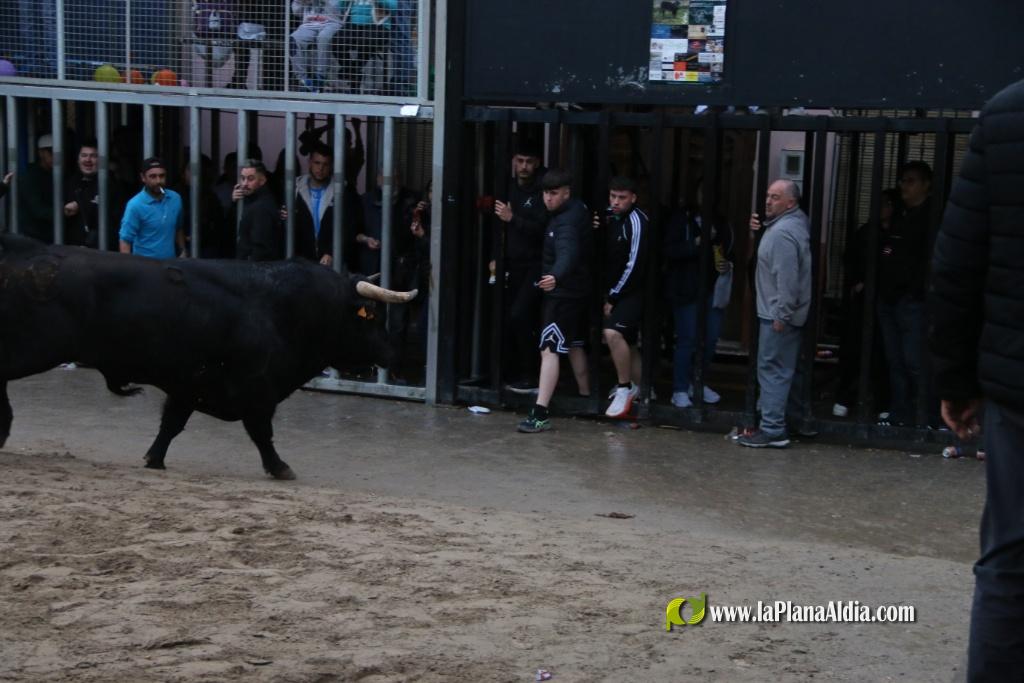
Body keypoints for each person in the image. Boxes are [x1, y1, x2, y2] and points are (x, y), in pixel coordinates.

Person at [929, 78, 1024, 681]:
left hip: (1018, 388)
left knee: (1011, 561)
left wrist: (956, 381)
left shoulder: (1007, 113)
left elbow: (958, 263)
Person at [517, 169, 592, 434]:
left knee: (549, 349)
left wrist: (555, 277)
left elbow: (567, 252)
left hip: (562, 295)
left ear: (566, 193)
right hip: (576, 292)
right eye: (545, 193)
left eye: (553, 193)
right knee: (573, 345)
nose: (547, 198)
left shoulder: (565, 223)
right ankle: (585, 397)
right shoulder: (577, 210)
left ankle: (540, 413)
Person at [737, 179, 811, 448]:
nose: (768, 201)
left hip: (777, 314)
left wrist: (781, 314)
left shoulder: (782, 233)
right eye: (768, 195)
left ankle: (773, 429)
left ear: (791, 202)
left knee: (773, 370)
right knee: (787, 369)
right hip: (781, 311)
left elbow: (787, 280)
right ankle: (793, 421)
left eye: (775, 197)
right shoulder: (793, 223)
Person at [664, 179, 733, 409]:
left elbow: (728, 250)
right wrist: (695, 243)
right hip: (686, 288)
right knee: (688, 339)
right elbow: (669, 250)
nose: (707, 196)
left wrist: (726, 264)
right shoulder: (681, 218)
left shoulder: (721, 222)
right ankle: (680, 388)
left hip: (712, 288)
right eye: (704, 191)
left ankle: (698, 383)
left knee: (711, 339)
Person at [831, 188, 898, 418]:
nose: (881, 208)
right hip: (863, 304)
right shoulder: (866, 233)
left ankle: (883, 403)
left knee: (884, 353)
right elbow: (851, 260)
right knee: (855, 350)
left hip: (887, 301)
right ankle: (847, 397)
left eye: (887, 204)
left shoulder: (896, 233)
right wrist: (859, 283)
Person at [876, 160, 933, 426]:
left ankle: (926, 414)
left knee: (914, 361)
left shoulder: (930, 217)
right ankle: (902, 412)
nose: (903, 186)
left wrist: (915, 292)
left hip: (911, 300)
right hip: (892, 298)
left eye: (910, 181)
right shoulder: (901, 214)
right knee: (895, 360)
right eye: (902, 180)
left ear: (926, 185)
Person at [493, 143, 547, 394]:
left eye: (529, 161)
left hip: (535, 264)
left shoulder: (542, 192)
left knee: (521, 314)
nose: (524, 166)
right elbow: (497, 227)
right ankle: (511, 372)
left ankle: (531, 374)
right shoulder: (507, 187)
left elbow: (543, 230)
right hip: (511, 264)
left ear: (537, 163)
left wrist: (513, 218)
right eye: (520, 160)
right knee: (508, 317)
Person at [600, 176, 650, 418]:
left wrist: (613, 296)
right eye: (613, 196)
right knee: (628, 342)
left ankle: (624, 387)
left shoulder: (637, 221)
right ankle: (643, 390)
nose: (616, 202)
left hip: (633, 290)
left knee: (612, 333)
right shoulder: (610, 216)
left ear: (633, 198)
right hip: (616, 288)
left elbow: (635, 264)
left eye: (622, 197)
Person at [119, 157, 186, 259]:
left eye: (162, 176)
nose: (158, 181)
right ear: (143, 177)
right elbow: (125, 240)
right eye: (153, 176)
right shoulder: (135, 205)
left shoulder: (175, 199)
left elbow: (178, 228)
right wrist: (128, 266)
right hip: (145, 265)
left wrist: (183, 251)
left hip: (170, 263)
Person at [63, 140, 123, 249]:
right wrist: (65, 211)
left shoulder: (110, 185)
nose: (88, 160)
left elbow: (116, 221)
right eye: (84, 155)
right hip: (73, 251)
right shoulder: (69, 183)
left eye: (93, 156)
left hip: (101, 251)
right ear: (78, 159)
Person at [289, 0, 345, 90]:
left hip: (331, 23)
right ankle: (302, 79)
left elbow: (339, 9)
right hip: (308, 24)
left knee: (323, 37)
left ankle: (320, 76)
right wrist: (301, 2)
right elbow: (296, 12)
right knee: (293, 39)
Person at [234, 159, 282, 261]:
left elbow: (260, 249)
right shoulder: (252, 200)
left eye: (250, 179)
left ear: (262, 180)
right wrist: (236, 202)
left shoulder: (261, 207)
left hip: (254, 266)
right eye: (243, 178)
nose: (245, 183)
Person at [18, 134, 55, 243]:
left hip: (50, 234)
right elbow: (38, 210)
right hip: (34, 237)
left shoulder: (59, 174)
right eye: (51, 152)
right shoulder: (30, 177)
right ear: (41, 153)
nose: (55, 156)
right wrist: (62, 213)